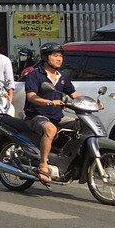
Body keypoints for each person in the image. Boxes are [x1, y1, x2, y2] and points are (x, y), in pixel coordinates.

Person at [23, 42, 80, 183]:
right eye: (55, 56)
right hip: (36, 115)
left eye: (60, 56)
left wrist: (91, 103)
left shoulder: (63, 77)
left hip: (57, 116)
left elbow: (75, 94)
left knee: (81, 126)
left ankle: (65, 158)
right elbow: (31, 97)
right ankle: (43, 163)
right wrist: (50, 102)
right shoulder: (34, 75)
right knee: (50, 129)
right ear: (45, 57)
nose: (59, 59)